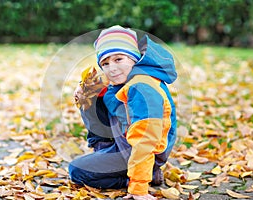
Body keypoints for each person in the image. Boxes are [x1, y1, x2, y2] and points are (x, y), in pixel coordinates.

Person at [69, 25, 177, 200]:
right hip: (127, 142)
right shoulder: (128, 77)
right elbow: (101, 81)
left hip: (144, 149)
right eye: (105, 63)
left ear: (134, 58)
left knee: (78, 171)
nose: (111, 68)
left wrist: (138, 187)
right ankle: (106, 154)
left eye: (118, 59)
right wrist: (84, 90)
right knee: (90, 96)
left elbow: (146, 140)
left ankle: (144, 174)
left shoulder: (142, 88)